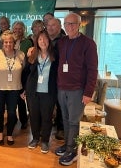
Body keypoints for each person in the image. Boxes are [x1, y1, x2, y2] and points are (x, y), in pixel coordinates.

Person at [55, 13, 98, 166]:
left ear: (79, 24)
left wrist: (88, 93)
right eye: (67, 24)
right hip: (62, 88)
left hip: (77, 90)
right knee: (65, 119)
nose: (69, 27)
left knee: (74, 122)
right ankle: (68, 145)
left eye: (73, 24)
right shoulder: (62, 42)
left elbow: (93, 70)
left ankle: (72, 152)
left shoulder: (88, 43)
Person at [22, 30, 58, 153]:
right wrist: (23, 89)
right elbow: (26, 73)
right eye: (40, 39)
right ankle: (35, 138)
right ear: (37, 41)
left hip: (49, 93)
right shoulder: (32, 55)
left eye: (45, 39)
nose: (43, 41)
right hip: (33, 92)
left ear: (49, 40)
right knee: (34, 116)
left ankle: (45, 141)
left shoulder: (55, 55)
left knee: (47, 117)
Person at [0, 30, 25, 146]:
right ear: (2, 43)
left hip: (14, 89)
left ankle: (9, 134)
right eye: (5, 42)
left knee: (12, 113)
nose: (8, 44)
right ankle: (0, 133)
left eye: (10, 42)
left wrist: (24, 89)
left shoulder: (21, 54)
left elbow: (24, 72)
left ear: (14, 43)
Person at [46, 18, 66, 140]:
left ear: (59, 27)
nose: (50, 27)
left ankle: (61, 129)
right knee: (47, 105)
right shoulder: (44, 39)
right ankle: (46, 128)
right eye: (48, 25)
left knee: (60, 105)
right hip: (45, 78)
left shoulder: (64, 40)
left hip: (60, 78)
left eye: (53, 25)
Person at [12, 21, 32, 129]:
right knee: (11, 98)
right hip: (11, 74)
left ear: (23, 30)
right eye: (15, 28)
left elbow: (30, 59)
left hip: (23, 74)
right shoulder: (10, 40)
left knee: (21, 98)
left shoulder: (28, 42)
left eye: (20, 28)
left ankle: (24, 120)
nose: (17, 30)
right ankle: (13, 118)